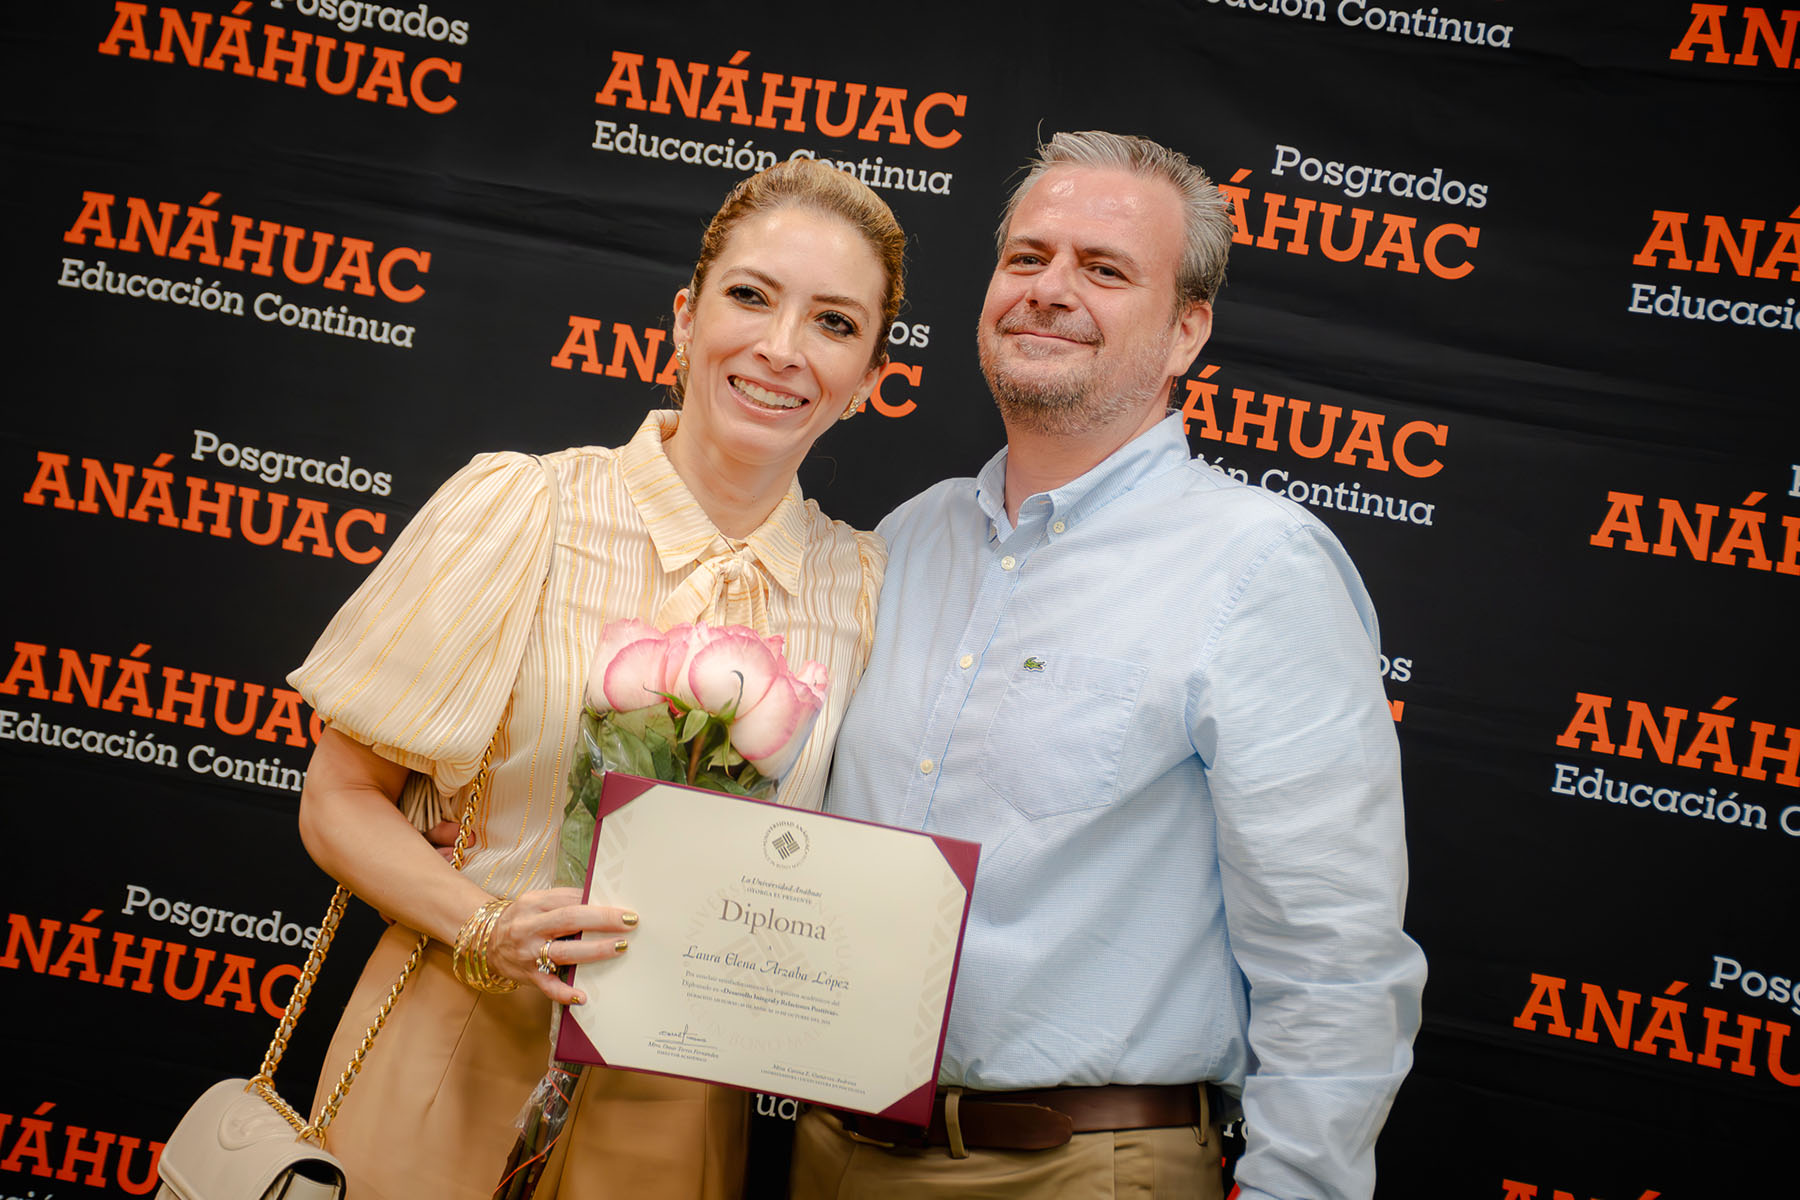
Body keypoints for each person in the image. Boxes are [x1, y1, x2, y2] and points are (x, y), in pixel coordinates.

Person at [788, 131, 1427, 1200]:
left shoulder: (1259, 568)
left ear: (1186, 332)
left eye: (1104, 268)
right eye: (1027, 257)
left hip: (1080, 1171)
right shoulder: (908, 538)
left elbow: (1334, 963)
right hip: (831, 1150)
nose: (1049, 290)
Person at [288, 156, 905, 1200]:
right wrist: (483, 923)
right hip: (453, 1035)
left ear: (872, 382)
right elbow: (338, 800)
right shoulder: (524, 508)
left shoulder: (868, 594)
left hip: (679, 1108)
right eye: (750, 296)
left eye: (835, 324)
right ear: (682, 317)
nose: (781, 348)